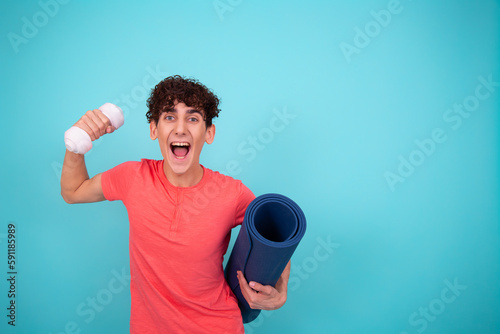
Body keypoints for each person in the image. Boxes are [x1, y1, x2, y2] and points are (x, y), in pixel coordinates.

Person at [60, 75, 291, 333]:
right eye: (170, 117)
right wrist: (76, 143)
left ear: (209, 133)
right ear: (153, 129)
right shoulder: (132, 177)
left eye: (192, 118)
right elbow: (73, 191)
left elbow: (275, 234)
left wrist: (280, 289)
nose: (180, 128)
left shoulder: (231, 193)